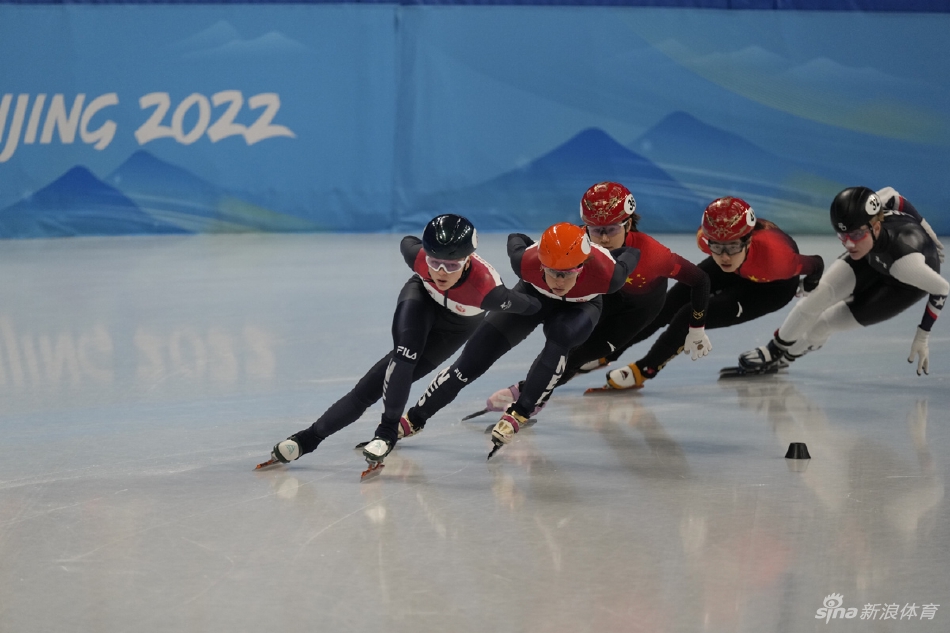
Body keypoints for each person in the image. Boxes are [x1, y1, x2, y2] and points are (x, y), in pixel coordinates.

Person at [258, 214, 541, 469]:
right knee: (399, 360)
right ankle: (314, 438)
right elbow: (408, 241)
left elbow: (531, 305)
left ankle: (376, 433)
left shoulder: (489, 291)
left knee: (386, 376)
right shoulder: (415, 256)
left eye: (451, 265)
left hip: (454, 329)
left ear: (467, 259)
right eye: (434, 262)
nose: (441, 272)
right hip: (420, 300)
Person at [366, 221, 640, 461]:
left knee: (562, 338)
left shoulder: (608, 274)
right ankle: (415, 418)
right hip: (532, 298)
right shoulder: (525, 261)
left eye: (567, 273)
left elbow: (633, 252)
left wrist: (612, 250)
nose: (558, 281)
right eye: (551, 271)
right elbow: (515, 238)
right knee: (471, 361)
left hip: (582, 306)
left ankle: (520, 411)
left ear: (583, 266)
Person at [481, 181, 711, 413]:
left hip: (637, 309)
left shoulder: (653, 255)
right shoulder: (577, 240)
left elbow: (700, 279)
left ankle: (528, 393)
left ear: (628, 224)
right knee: (565, 343)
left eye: (611, 230)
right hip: (601, 296)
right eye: (594, 230)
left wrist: (697, 326)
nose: (602, 239)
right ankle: (533, 393)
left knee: (582, 354)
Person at [596, 196, 824, 390]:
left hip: (770, 288)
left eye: (732, 246)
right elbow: (724, 252)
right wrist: (726, 249)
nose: (724, 256)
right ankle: (608, 352)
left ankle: (645, 369)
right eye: (716, 246)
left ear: (748, 240)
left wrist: (810, 284)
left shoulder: (778, 259)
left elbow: (816, 263)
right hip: (740, 268)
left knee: (690, 316)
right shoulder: (710, 240)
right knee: (667, 305)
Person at [737, 186, 947, 375]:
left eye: (854, 235)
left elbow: (942, 288)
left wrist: (922, 335)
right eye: (842, 236)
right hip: (872, 255)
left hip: (901, 286)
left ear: (874, 228)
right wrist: (929, 232)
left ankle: (789, 357)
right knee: (817, 298)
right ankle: (774, 350)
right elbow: (893, 195)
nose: (848, 244)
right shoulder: (873, 213)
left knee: (824, 324)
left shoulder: (906, 264)